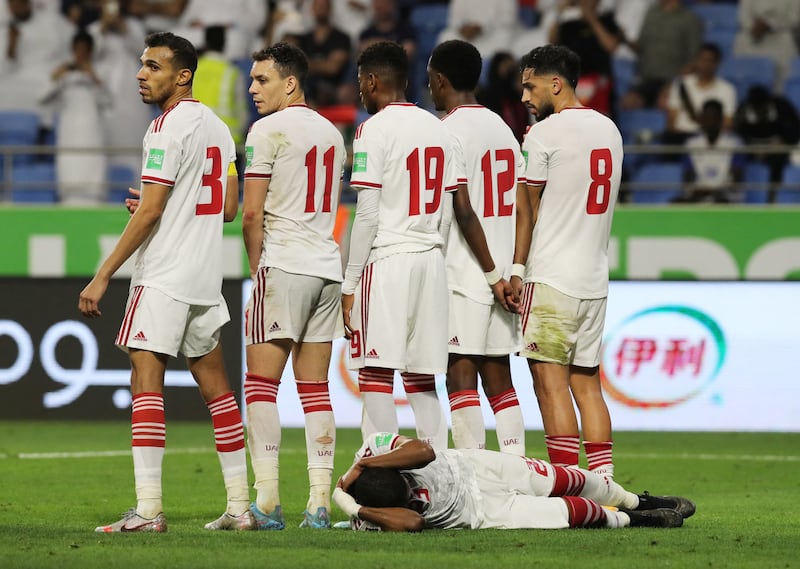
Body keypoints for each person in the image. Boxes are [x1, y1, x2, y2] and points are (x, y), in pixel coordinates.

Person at [79, 32, 247, 532]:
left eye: (153, 66)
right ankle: (240, 507)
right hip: (203, 278)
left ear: (182, 76)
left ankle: (149, 509)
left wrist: (102, 275)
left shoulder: (165, 128)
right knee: (217, 390)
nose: (140, 73)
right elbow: (230, 209)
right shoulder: (218, 129)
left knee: (145, 378)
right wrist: (164, 205)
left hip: (166, 274)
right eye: (141, 64)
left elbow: (152, 209)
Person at [240, 42, 347, 531]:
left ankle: (265, 503)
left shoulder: (267, 130)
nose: (252, 88)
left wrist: (255, 268)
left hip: (283, 263)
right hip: (327, 265)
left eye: (262, 80)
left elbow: (252, 213)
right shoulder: (332, 134)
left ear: (290, 82)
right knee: (315, 391)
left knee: (261, 385)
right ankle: (320, 504)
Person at [342, 40, 458, 450]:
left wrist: (350, 282)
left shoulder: (371, 130)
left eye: (360, 82)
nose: (360, 91)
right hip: (431, 259)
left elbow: (368, 214)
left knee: (375, 372)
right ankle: (440, 483)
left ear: (372, 81)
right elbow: (446, 211)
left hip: (389, 261)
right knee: (422, 378)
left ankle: (382, 482)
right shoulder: (440, 129)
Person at [513, 44, 622, 478]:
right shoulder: (610, 129)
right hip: (594, 278)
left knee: (550, 386)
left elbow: (528, 210)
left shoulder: (543, 135)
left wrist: (517, 269)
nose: (524, 97)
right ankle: (604, 481)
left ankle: (568, 484)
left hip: (553, 277)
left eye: (530, 85)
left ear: (555, 84)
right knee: (588, 385)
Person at [427, 40, 525, 455]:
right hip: (504, 273)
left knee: (460, 375)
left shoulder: (446, 131)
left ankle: (473, 476)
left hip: (469, 274)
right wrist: (514, 270)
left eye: (430, 79)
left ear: (440, 81)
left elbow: (463, 211)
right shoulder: (503, 128)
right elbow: (524, 207)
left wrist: (490, 274)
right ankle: (516, 467)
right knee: (499, 377)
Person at [333, 433, 695, 531]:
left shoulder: (375, 446)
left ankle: (636, 501)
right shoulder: (368, 517)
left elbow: (425, 452)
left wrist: (365, 462)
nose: (414, 495)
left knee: (571, 478)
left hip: (478, 467)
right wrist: (358, 508)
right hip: (482, 511)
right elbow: (412, 522)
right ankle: (632, 520)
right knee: (566, 512)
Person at [40, 30, 111, 205]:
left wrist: (93, 77)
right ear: (72, 50)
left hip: (92, 134)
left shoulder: (99, 72)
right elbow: (41, 97)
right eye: (77, 49)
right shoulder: (64, 74)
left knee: (92, 176)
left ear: (90, 51)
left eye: (85, 50)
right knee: (68, 173)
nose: (80, 54)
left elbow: (108, 101)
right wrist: (55, 78)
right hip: (69, 134)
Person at [620, 0, 702, 111]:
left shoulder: (689, 19)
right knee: (627, 102)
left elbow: (695, 58)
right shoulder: (651, 13)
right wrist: (623, 38)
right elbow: (640, 46)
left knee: (665, 103)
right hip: (647, 79)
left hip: (671, 80)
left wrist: (676, 83)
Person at [664, 43, 737, 146]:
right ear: (696, 60)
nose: (705, 64)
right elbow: (671, 118)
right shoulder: (681, 85)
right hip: (681, 137)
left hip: (710, 140)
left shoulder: (728, 89)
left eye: (709, 60)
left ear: (717, 63)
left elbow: (727, 122)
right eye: (702, 60)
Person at [675, 99, 746, 204]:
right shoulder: (691, 143)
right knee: (676, 204)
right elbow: (687, 178)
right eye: (706, 118)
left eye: (713, 118)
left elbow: (736, 181)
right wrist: (695, 191)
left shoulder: (735, 143)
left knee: (721, 202)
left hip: (725, 197)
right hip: (699, 195)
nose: (709, 122)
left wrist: (712, 191)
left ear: (720, 119)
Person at [193, 25, 248, 145]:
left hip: (196, 138)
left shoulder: (192, 71)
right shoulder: (233, 73)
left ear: (205, 42)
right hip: (228, 140)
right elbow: (242, 112)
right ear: (224, 43)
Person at [297, 0, 352, 107]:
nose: (321, 9)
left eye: (323, 6)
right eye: (318, 6)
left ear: (330, 9)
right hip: (307, 87)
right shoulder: (304, 39)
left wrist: (307, 64)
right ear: (312, 9)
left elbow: (332, 68)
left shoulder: (341, 37)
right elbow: (296, 66)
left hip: (333, 88)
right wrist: (323, 64)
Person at [476, 51, 530, 144]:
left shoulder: (520, 99)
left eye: (513, 69)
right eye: (507, 68)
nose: (510, 72)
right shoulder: (485, 97)